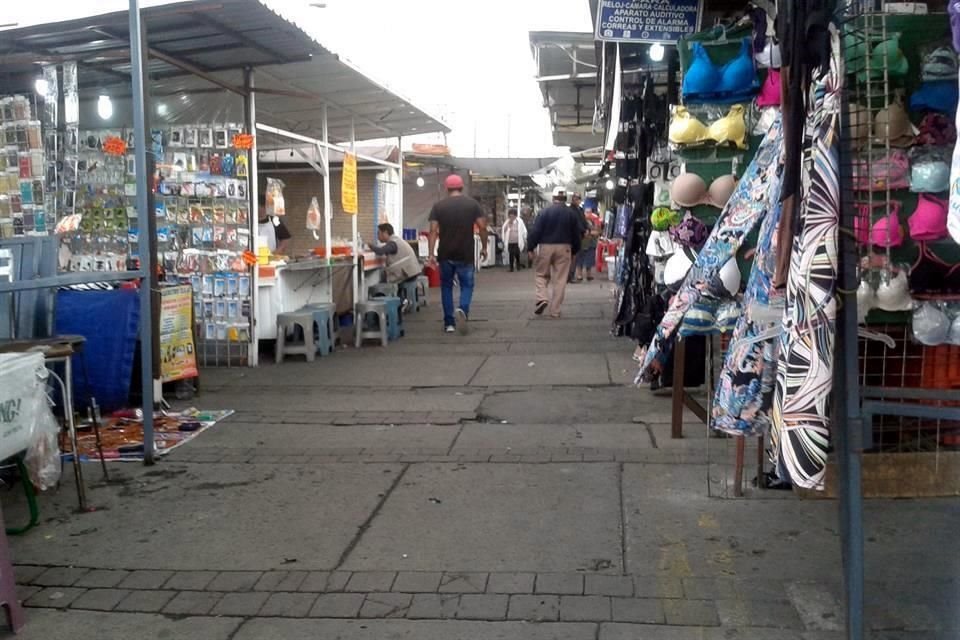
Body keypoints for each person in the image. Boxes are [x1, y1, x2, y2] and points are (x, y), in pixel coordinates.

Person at [428, 174, 488, 334]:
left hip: (445, 253)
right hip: (465, 252)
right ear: (462, 187)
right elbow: (482, 227)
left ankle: (449, 323)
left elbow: (433, 230)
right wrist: (484, 246)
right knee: (467, 285)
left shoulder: (438, 206)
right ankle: (463, 309)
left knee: (446, 287)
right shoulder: (472, 205)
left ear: (447, 189)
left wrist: (431, 254)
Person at [527, 187, 581, 318]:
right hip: (565, 247)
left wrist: (530, 247)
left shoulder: (544, 212)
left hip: (545, 246)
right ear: (565, 198)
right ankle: (555, 311)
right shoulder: (571, 214)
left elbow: (535, 231)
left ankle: (542, 297)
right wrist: (575, 250)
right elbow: (577, 234)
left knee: (541, 274)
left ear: (553, 198)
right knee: (560, 279)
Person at [369, 223, 421, 311]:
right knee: (388, 279)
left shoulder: (392, 243)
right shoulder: (396, 240)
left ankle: (396, 303)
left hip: (408, 273)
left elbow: (380, 251)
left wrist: (370, 246)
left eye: (379, 233)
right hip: (412, 271)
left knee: (386, 282)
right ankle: (402, 301)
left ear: (385, 232)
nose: (378, 236)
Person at [575, 208, 602, 281]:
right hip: (582, 242)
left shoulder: (596, 220)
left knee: (590, 259)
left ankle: (589, 275)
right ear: (584, 213)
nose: (588, 213)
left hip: (591, 242)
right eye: (587, 212)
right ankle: (579, 275)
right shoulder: (580, 220)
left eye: (590, 212)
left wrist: (592, 233)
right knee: (579, 259)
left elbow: (598, 231)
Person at [568, 192, 588, 283]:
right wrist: (583, 230)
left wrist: (586, 229)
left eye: (579, 198)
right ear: (573, 199)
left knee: (575, 257)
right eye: (576, 198)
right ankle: (569, 275)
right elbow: (576, 223)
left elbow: (583, 221)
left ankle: (571, 275)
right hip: (571, 236)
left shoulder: (580, 210)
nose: (578, 200)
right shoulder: (570, 210)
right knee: (571, 257)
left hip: (579, 236)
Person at [501, 208, 527, 272]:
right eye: (510, 216)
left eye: (512, 215)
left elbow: (524, 230)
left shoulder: (520, 222)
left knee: (517, 253)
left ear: (515, 215)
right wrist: (509, 224)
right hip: (510, 241)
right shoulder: (507, 222)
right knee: (511, 254)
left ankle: (518, 265)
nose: (511, 217)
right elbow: (504, 230)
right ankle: (511, 267)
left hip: (517, 241)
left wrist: (524, 238)